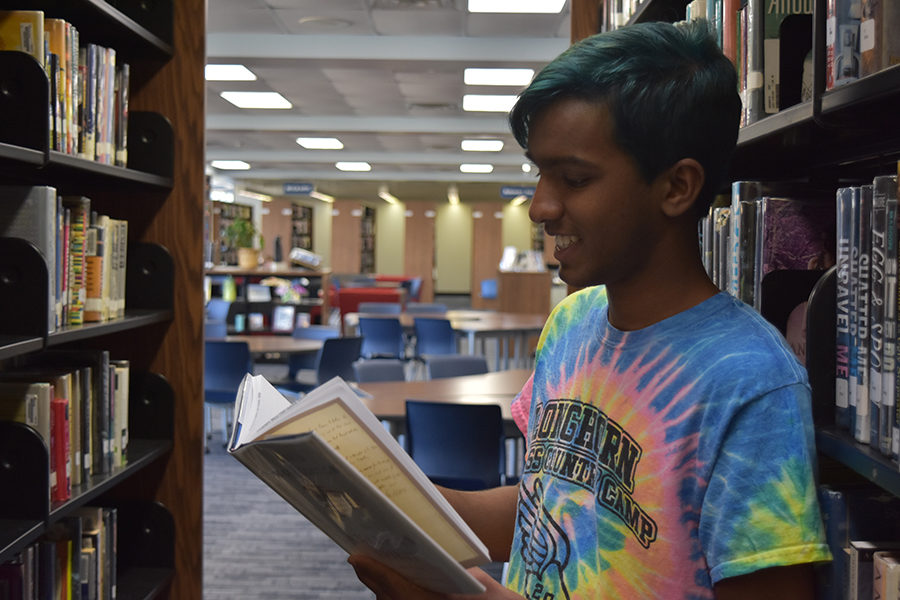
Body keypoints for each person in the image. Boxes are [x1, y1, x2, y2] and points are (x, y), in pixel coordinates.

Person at [350, 18, 831, 599]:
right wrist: (381, 497)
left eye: (574, 178)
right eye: (539, 173)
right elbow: (543, 503)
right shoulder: (572, 323)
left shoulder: (751, 383)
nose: (540, 206)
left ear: (676, 187)